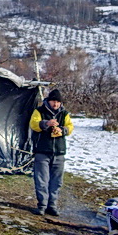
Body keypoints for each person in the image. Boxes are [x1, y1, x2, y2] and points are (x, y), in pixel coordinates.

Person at [29, 88, 74, 216]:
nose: (56, 104)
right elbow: (34, 124)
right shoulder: (39, 111)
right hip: (43, 151)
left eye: (58, 102)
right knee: (42, 180)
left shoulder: (64, 113)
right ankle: (42, 205)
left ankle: (52, 205)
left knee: (56, 181)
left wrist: (63, 130)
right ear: (48, 101)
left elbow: (70, 127)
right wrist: (46, 123)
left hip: (59, 152)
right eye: (54, 101)